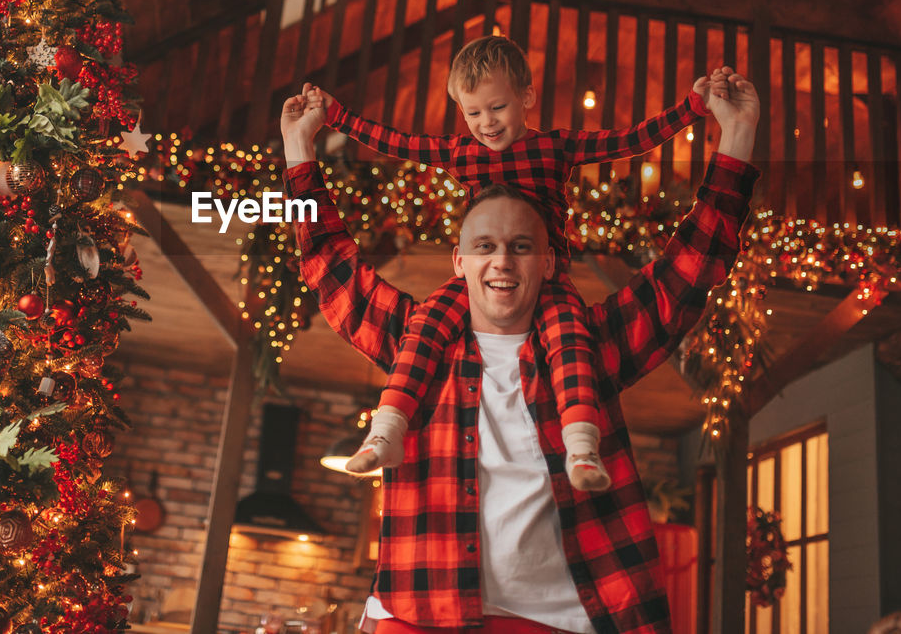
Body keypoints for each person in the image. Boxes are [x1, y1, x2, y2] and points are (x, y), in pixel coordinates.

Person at [280, 67, 759, 634]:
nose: (502, 261)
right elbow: (328, 262)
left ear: (550, 262)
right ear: (460, 263)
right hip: (419, 610)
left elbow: (690, 268)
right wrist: (297, 147)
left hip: (563, 615)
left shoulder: (591, 344)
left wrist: (736, 135)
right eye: (483, 246)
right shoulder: (417, 339)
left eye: (521, 246)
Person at [308, 35, 722, 489]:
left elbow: (629, 140)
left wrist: (690, 108)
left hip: (547, 278)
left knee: (571, 340)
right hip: (478, 277)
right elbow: (396, 142)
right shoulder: (459, 153)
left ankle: (581, 446)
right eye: (473, 113)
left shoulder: (554, 148)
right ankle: (385, 431)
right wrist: (337, 117)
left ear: (526, 98)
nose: (486, 123)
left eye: (497, 108)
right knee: (424, 326)